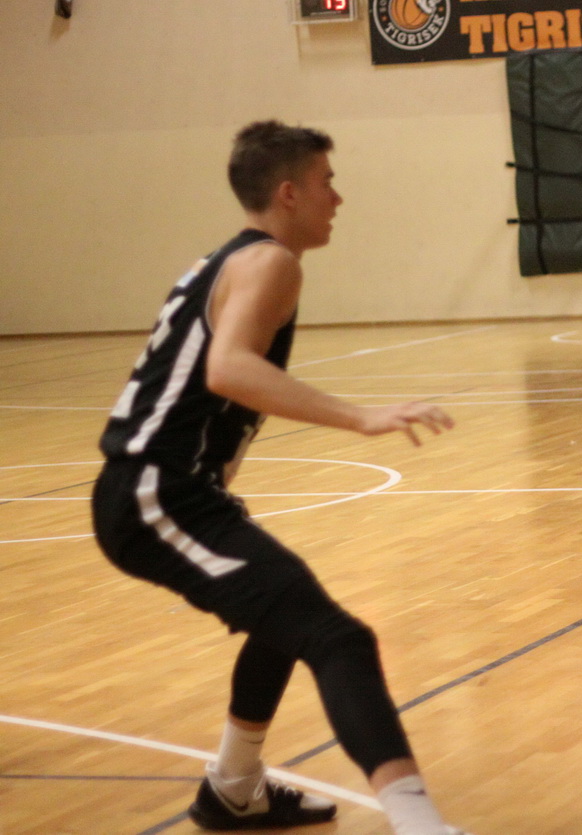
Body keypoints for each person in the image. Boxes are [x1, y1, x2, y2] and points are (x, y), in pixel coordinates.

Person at [91, 121, 470, 835]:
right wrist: (361, 417)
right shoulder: (271, 262)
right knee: (339, 637)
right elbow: (227, 368)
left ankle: (234, 787)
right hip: (154, 494)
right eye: (328, 182)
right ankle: (421, 823)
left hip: (170, 489)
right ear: (290, 193)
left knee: (286, 613)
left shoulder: (230, 260)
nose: (339, 198)